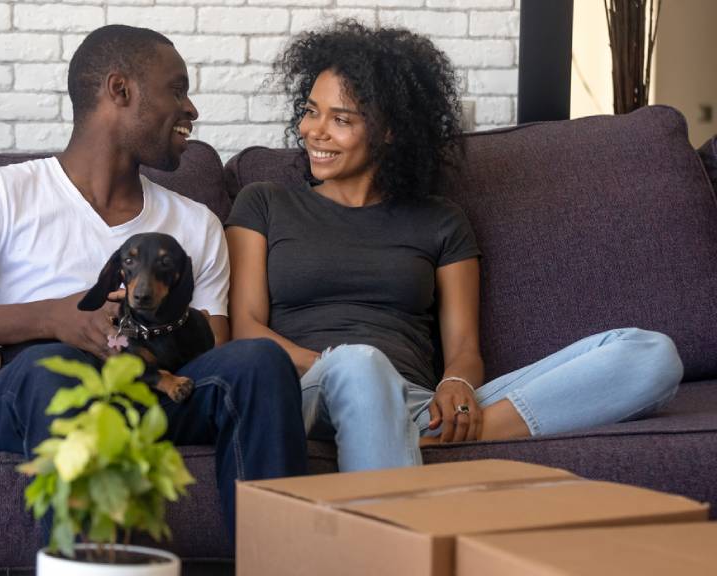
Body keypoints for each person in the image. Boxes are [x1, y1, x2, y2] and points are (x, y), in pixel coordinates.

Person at [0, 24, 308, 538]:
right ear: (119, 90)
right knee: (51, 365)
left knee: (259, 361)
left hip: (147, 394)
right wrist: (54, 319)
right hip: (33, 394)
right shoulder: (2, 192)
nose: (190, 109)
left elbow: (213, 348)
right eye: (177, 90)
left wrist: (144, 325)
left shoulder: (195, 223)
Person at [225, 21, 683, 473]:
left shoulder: (441, 220)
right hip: (311, 389)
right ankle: (415, 473)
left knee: (650, 353)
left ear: (389, 131)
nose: (314, 131)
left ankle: (429, 436)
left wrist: (457, 383)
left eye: (341, 119)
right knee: (361, 365)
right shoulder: (265, 203)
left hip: (419, 402)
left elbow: (463, 344)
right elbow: (245, 329)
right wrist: (345, 364)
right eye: (311, 111)